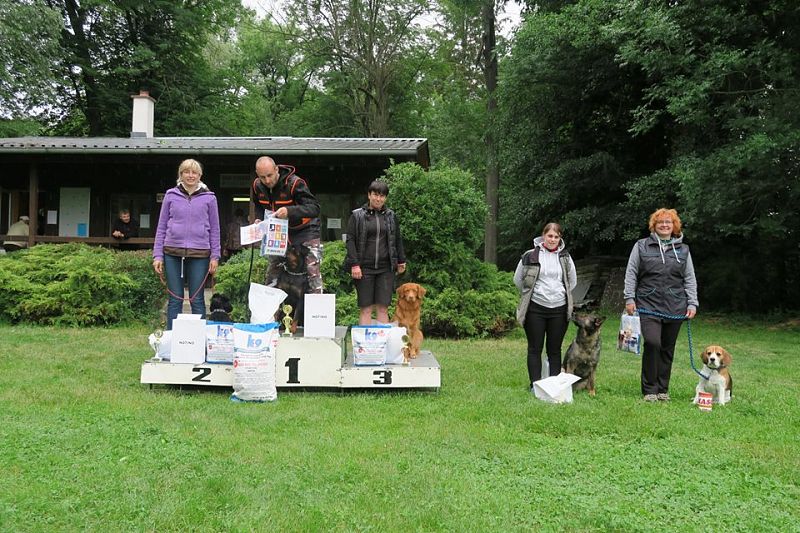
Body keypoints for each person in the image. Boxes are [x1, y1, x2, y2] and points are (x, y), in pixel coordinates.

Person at [624, 208, 698, 402]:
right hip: (648, 303)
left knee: (667, 348)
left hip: (676, 305)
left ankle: (662, 389)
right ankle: (649, 389)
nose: (664, 225)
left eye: (668, 222)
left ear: (674, 226)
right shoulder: (641, 246)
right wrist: (629, 298)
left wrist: (692, 303)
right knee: (653, 342)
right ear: (654, 226)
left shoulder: (684, 250)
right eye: (660, 222)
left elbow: (689, 278)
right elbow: (631, 272)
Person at [152, 159, 221, 330]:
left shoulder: (209, 198)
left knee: (196, 299)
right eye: (186, 172)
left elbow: (215, 229)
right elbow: (161, 226)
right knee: (175, 299)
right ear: (180, 174)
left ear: (200, 175)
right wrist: (157, 255)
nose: (190, 175)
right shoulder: (170, 195)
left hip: (200, 254)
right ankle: (171, 342)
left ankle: (199, 343)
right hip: (172, 253)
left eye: (194, 172)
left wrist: (215, 256)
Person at [514, 223, 577, 390]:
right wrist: (533, 294)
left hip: (559, 309)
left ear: (560, 238)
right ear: (543, 236)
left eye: (556, 237)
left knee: (554, 350)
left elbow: (572, 281)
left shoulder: (565, 257)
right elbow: (518, 280)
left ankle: (554, 387)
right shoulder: (530, 255)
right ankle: (535, 385)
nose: (553, 240)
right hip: (535, 308)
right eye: (550, 236)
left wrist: (558, 294)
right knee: (535, 348)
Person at [250, 156, 323, 293]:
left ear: (276, 169)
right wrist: (259, 219)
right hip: (278, 233)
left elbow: (314, 208)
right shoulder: (257, 186)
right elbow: (259, 205)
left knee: (312, 273)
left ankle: (315, 311)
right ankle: (270, 312)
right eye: (262, 177)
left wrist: (289, 211)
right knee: (273, 273)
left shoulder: (295, 183)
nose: (267, 180)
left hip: (305, 231)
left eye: (270, 175)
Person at [345, 180, 407, 324]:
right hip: (363, 268)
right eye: (375, 195)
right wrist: (355, 264)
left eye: (382, 196)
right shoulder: (357, 215)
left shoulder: (391, 216)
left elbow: (397, 239)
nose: (378, 199)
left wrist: (401, 260)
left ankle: (382, 344)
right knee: (366, 308)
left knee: (383, 308)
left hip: (386, 268)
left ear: (385, 198)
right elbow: (350, 240)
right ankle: (364, 346)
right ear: (369, 195)